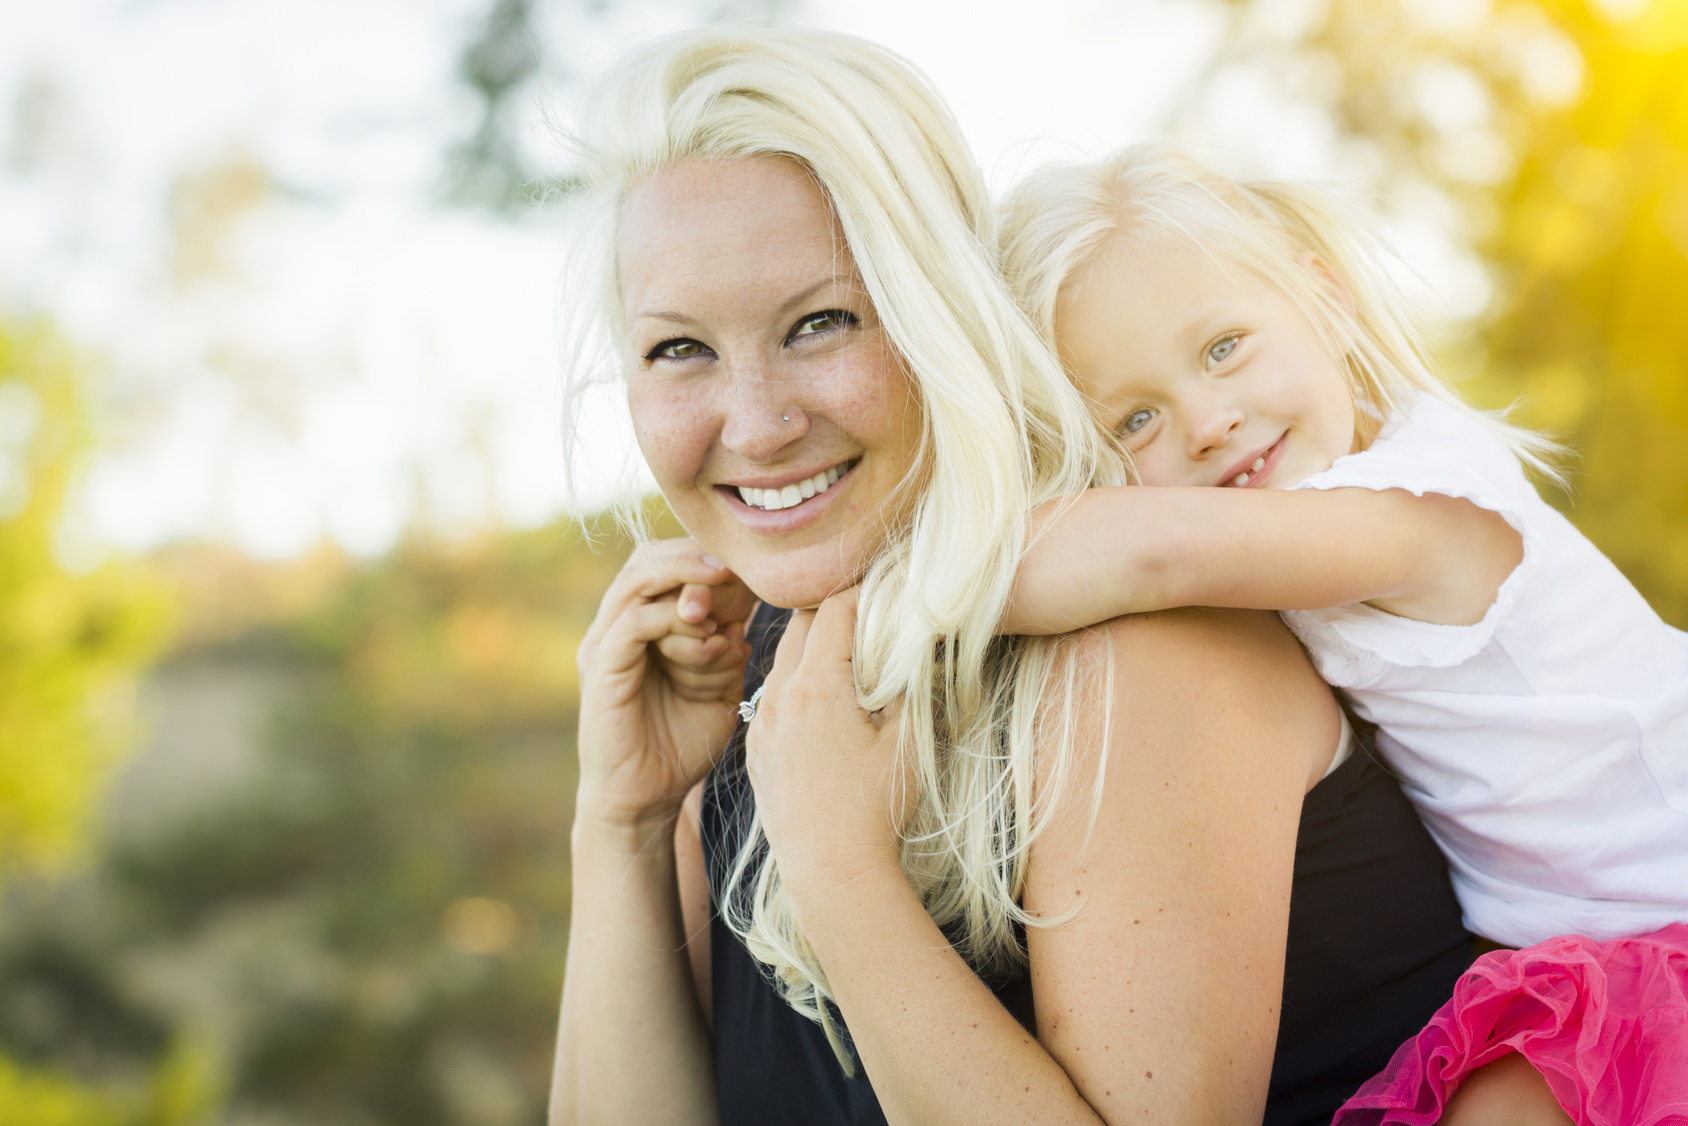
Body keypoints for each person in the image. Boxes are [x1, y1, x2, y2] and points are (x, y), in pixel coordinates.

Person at [547, 30, 1471, 1126]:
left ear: (943, 315)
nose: (755, 424)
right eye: (677, 350)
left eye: (822, 322)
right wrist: (622, 822)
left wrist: (841, 874)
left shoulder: (1137, 644)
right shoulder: (763, 690)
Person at [996, 145, 1688, 1123]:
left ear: (1323, 301)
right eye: (1133, 418)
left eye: (1222, 346)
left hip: (1660, 929)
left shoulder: (1418, 504)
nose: (1203, 420)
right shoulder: (1310, 525)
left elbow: (1147, 556)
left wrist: (883, 576)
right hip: (1580, 944)